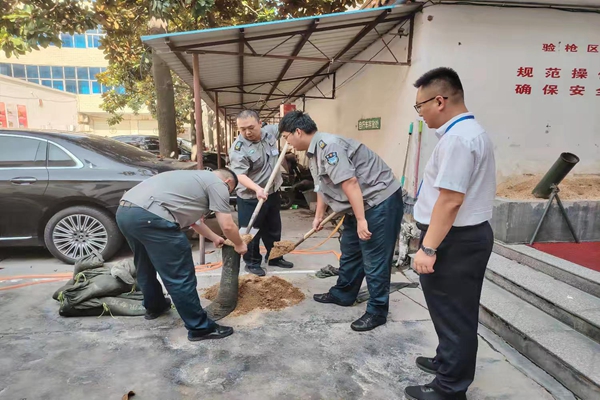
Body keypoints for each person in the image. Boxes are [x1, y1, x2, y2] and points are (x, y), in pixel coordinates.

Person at [403, 67, 496, 400]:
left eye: (420, 106)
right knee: (450, 311)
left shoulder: (458, 139)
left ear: (439, 101)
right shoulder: (466, 132)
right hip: (461, 236)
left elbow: (451, 200)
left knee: (455, 314)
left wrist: (428, 248)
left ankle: (450, 388)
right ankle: (446, 361)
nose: (420, 113)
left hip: (454, 240)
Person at [278, 110, 403, 332]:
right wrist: (318, 216)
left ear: (298, 131)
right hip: (357, 204)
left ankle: (377, 311)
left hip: (378, 201)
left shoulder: (329, 146)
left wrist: (362, 220)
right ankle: (343, 293)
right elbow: (322, 186)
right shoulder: (313, 152)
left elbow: (350, 183)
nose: (287, 143)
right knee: (350, 249)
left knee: (374, 257)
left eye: (287, 137)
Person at [115, 168, 248, 342]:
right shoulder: (218, 184)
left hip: (126, 213)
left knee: (144, 265)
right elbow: (228, 226)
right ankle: (199, 328)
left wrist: (215, 238)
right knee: (180, 275)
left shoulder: (191, 179)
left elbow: (195, 222)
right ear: (228, 183)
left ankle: (155, 306)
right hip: (151, 217)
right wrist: (239, 244)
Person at [229, 110, 294, 276]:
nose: (247, 132)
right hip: (251, 196)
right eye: (242, 129)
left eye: (251, 127)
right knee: (251, 231)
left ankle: (275, 257)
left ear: (260, 123)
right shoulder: (238, 148)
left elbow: (287, 125)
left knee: (273, 228)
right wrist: (257, 189)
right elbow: (240, 175)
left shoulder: (270, 132)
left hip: (272, 192)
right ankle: (252, 262)